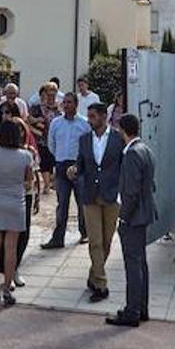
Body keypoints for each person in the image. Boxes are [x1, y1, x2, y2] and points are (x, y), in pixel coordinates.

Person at [71, 102, 124, 303]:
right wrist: (75, 170)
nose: (90, 120)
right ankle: (101, 285)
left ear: (103, 116)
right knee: (95, 241)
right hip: (90, 195)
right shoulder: (84, 139)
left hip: (112, 196)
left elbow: (124, 166)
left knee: (107, 242)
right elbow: (81, 164)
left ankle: (93, 275)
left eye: (93, 116)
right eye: (89, 116)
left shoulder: (118, 139)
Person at [108, 113, 157, 328]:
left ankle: (132, 311)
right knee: (140, 263)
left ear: (123, 130)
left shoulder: (131, 155)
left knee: (133, 264)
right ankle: (141, 308)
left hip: (134, 217)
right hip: (143, 214)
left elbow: (131, 191)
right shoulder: (145, 149)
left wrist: (123, 217)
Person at [0, 120, 33, 306]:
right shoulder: (25, 156)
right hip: (15, 202)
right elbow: (28, 181)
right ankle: (7, 287)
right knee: (11, 248)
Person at [41, 92, 90, 249]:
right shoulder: (56, 123)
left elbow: (88, 145)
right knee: (62, 203)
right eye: (65, 102)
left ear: (76, 104)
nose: (67, 105)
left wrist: (79, 163)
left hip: (79, 165)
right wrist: (59, 157)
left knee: (82, 201)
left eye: (70, 102)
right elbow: (51, 143)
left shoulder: (84, 123)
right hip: (61, 164)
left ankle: (85, 233)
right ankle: (58, 238)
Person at [26, 82, 61, 189]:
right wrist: (38, 120)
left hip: (56, 139)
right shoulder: (37, 107)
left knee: (53, 162)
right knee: (44, 161)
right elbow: (29, 119)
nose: (51, 96)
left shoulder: (59, 107)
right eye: (49, 93)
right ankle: (46, 185)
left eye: (53, 93)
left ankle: (50, 181)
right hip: (42, 139)